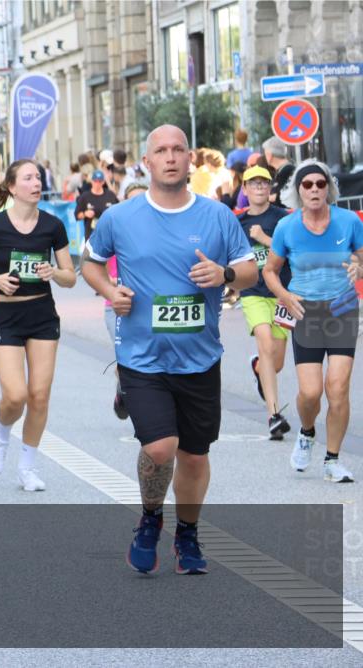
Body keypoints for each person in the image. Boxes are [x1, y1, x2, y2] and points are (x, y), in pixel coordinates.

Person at [81, 124, 258, 575]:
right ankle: (150, 516)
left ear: (190, 159)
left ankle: (187, 534)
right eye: (161, 150)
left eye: (179, 149)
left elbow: (249, 269)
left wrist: (225, 275)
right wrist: (110, 291)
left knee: (195, 456)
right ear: (147, 161)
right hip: (142, 357)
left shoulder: (217, 216)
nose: (171, 156)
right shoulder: (121, 217)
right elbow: (90, 263)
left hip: (200, 358)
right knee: (161, 448)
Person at [0, 160, 76, 491]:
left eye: (38, 177)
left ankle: (27, 467)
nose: (36, 183)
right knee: (15, 395)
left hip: (42, 315)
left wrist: (54, 272)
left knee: (39, 395)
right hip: (6, 317)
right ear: (12, 187)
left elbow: (70, 277)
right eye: (28, 178)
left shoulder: (53, 226)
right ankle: (0, 434)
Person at [263, 159, 363, 483]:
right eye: (308, 185)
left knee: (338, 387)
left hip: (342, 308)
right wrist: (285, 296)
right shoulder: (287, 227)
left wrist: (359, 267)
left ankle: (332, 460)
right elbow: (270, 271)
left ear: (329, 188)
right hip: (305, 312)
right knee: (310, 393)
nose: (315, 189)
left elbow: (362, 259)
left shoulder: (348, 221)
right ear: (299, 191)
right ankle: (307, 432)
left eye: (321, 184)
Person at [235, 166, 293, 439]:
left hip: (282, 294)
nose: (259, 187)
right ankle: (274, 416)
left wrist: (263, 239)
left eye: (263, 183)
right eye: (253, 183)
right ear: (245, 189)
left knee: (275, 362)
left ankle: (258, 367)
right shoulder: (238, 223)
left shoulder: (283, 218)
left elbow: (294, 252)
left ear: (270, 188)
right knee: (266, 344)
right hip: (253, 293)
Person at [104, 181, 150, 420]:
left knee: (147, 360)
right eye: (132, 200)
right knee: (127, 358)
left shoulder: (159, 231)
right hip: (117, 308)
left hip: (149, 307)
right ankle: (124, 387)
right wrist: (109, 282)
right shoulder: (115, 228)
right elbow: (93, 263)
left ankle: (147, 408)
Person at [75, 169, 119, 240]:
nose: (97, 184)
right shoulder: (85, 196)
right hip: (91, 234)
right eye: (95, 181)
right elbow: (77, 215)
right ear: (91, 181)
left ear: (103, 182)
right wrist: (85, 214)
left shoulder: (110, 195)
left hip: (108, 233)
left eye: (100, 181)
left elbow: (118, 212)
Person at [262, 137, 294, 204]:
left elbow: (279, 197)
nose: (265, 157)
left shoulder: (287, 171)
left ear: (270, 155)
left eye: (265, 153)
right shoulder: (282, 170)